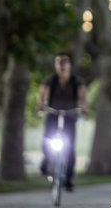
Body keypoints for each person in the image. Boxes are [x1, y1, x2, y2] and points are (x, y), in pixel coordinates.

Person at [37, 52, 88, 192]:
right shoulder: (51, 80)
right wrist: (40, 104)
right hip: (53, 114)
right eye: (59, 62)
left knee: (70, 148)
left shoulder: (75, 81)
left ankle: (69, 179)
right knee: (46, 141)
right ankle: (47, 160)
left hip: (70, 116)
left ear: (69, 65)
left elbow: (82, 93)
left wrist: (84, 106)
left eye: (65, 62)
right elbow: (43, 92)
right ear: (56, 65)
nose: (62, 65)